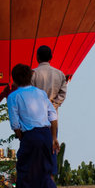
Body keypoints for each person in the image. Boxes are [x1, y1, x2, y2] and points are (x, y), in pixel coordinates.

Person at [7, 64, 67, 188]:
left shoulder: (13, 96)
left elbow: (15, 123)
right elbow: (53, 116)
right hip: (46, 134)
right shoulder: (40, 93)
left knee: (26, 171)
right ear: (30, 76)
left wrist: (23, 139)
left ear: (14, 79)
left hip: (30, 136)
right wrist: (53, 137)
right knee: (44, 170)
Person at [31, 45, 67, 175]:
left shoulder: (33, 74)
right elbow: (62, 94)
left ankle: (37, 176)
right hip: (53, 118)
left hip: (34, 117)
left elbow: (29, 94)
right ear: (51, 57)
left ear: (37, 57)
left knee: (35, 147)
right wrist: (52, 106)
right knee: (52, 145)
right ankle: (50, 178)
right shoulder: (60, 74)